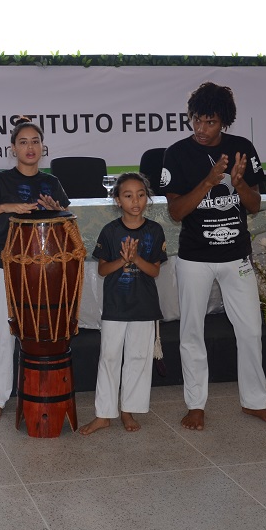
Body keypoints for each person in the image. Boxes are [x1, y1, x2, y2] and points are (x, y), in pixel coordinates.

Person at [161, 81, 266, 431]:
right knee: (191, 333)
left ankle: (255, 401)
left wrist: (238, 183)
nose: (201, 129)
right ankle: (195, 404)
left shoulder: (242, 148)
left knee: (250, 331)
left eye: (210, 122)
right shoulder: (176, 154)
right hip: (194, 258)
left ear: (224, 122)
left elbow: (254, 205)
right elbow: (176, 212)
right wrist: (209, 180)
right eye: (196, 120)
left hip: (236, 256)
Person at [0, 119, 69, 420]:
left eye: (35, 141)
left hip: (46, 268)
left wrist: (56, 210)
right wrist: (5, 207)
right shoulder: (0, 180)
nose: (30, 147)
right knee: (4, 332)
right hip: (8, 265)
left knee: (41, 331)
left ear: (43, 147)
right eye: (23, 142)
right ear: (13, 149)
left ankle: (42, 389)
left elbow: (67, 220)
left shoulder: (52, 182)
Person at [79, 173, 167, 434]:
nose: (135, 201)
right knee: (109, 357)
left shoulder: (154, 230)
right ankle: (104, 414)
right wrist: (123, 260)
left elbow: (154, 271)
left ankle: (128, 410)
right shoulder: (110, 231)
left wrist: (136, 259)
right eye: (128, 196)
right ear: (118, 200)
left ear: (147, 198)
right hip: (116, 306)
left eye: (140, 195)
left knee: (138, 358)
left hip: (144, 306)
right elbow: (103, 270)